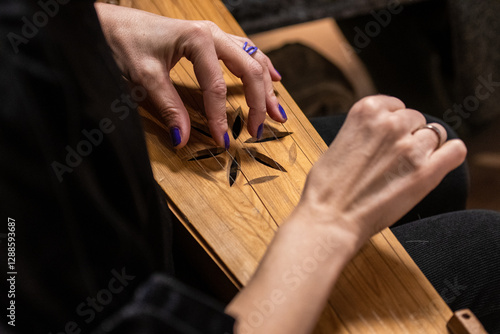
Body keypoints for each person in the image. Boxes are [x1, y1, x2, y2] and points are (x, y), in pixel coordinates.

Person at [0, 1, 499, 333]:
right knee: (489, 247)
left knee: (438, 154)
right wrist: (328, 221)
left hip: (118, 227)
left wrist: (103, 25)